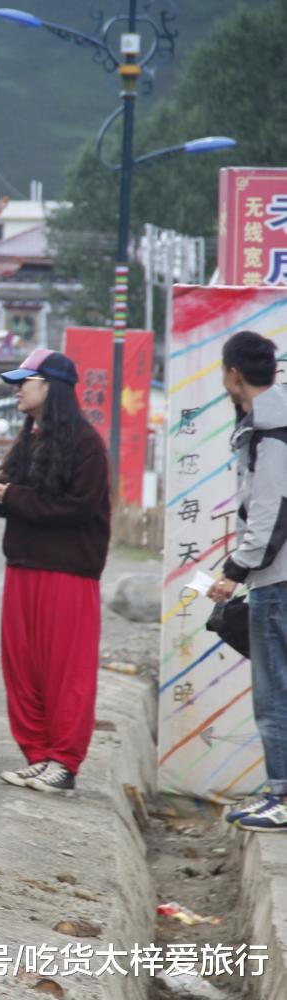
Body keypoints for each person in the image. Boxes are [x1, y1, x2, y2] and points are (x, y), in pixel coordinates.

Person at [0, 349, 111, 793]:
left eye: (26, 381)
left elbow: (75, 509)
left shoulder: (86, 444)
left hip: (69, 574)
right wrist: (0, 494)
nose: (18, 389)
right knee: (23, 668)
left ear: (51, 387)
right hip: (23, 567)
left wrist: (13, 496)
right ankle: (38, 756)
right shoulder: (30, 440)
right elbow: (18, 503)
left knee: (66, 671)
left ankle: (65, 761)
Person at [206, 331, 287, 833]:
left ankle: (281, 796)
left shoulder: (271, 428)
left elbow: (272, 512)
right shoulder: (264, 422)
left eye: (223, 372)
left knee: (273, 691)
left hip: (276, 581)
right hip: (272, 576)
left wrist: (236, 571)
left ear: (234, 374)